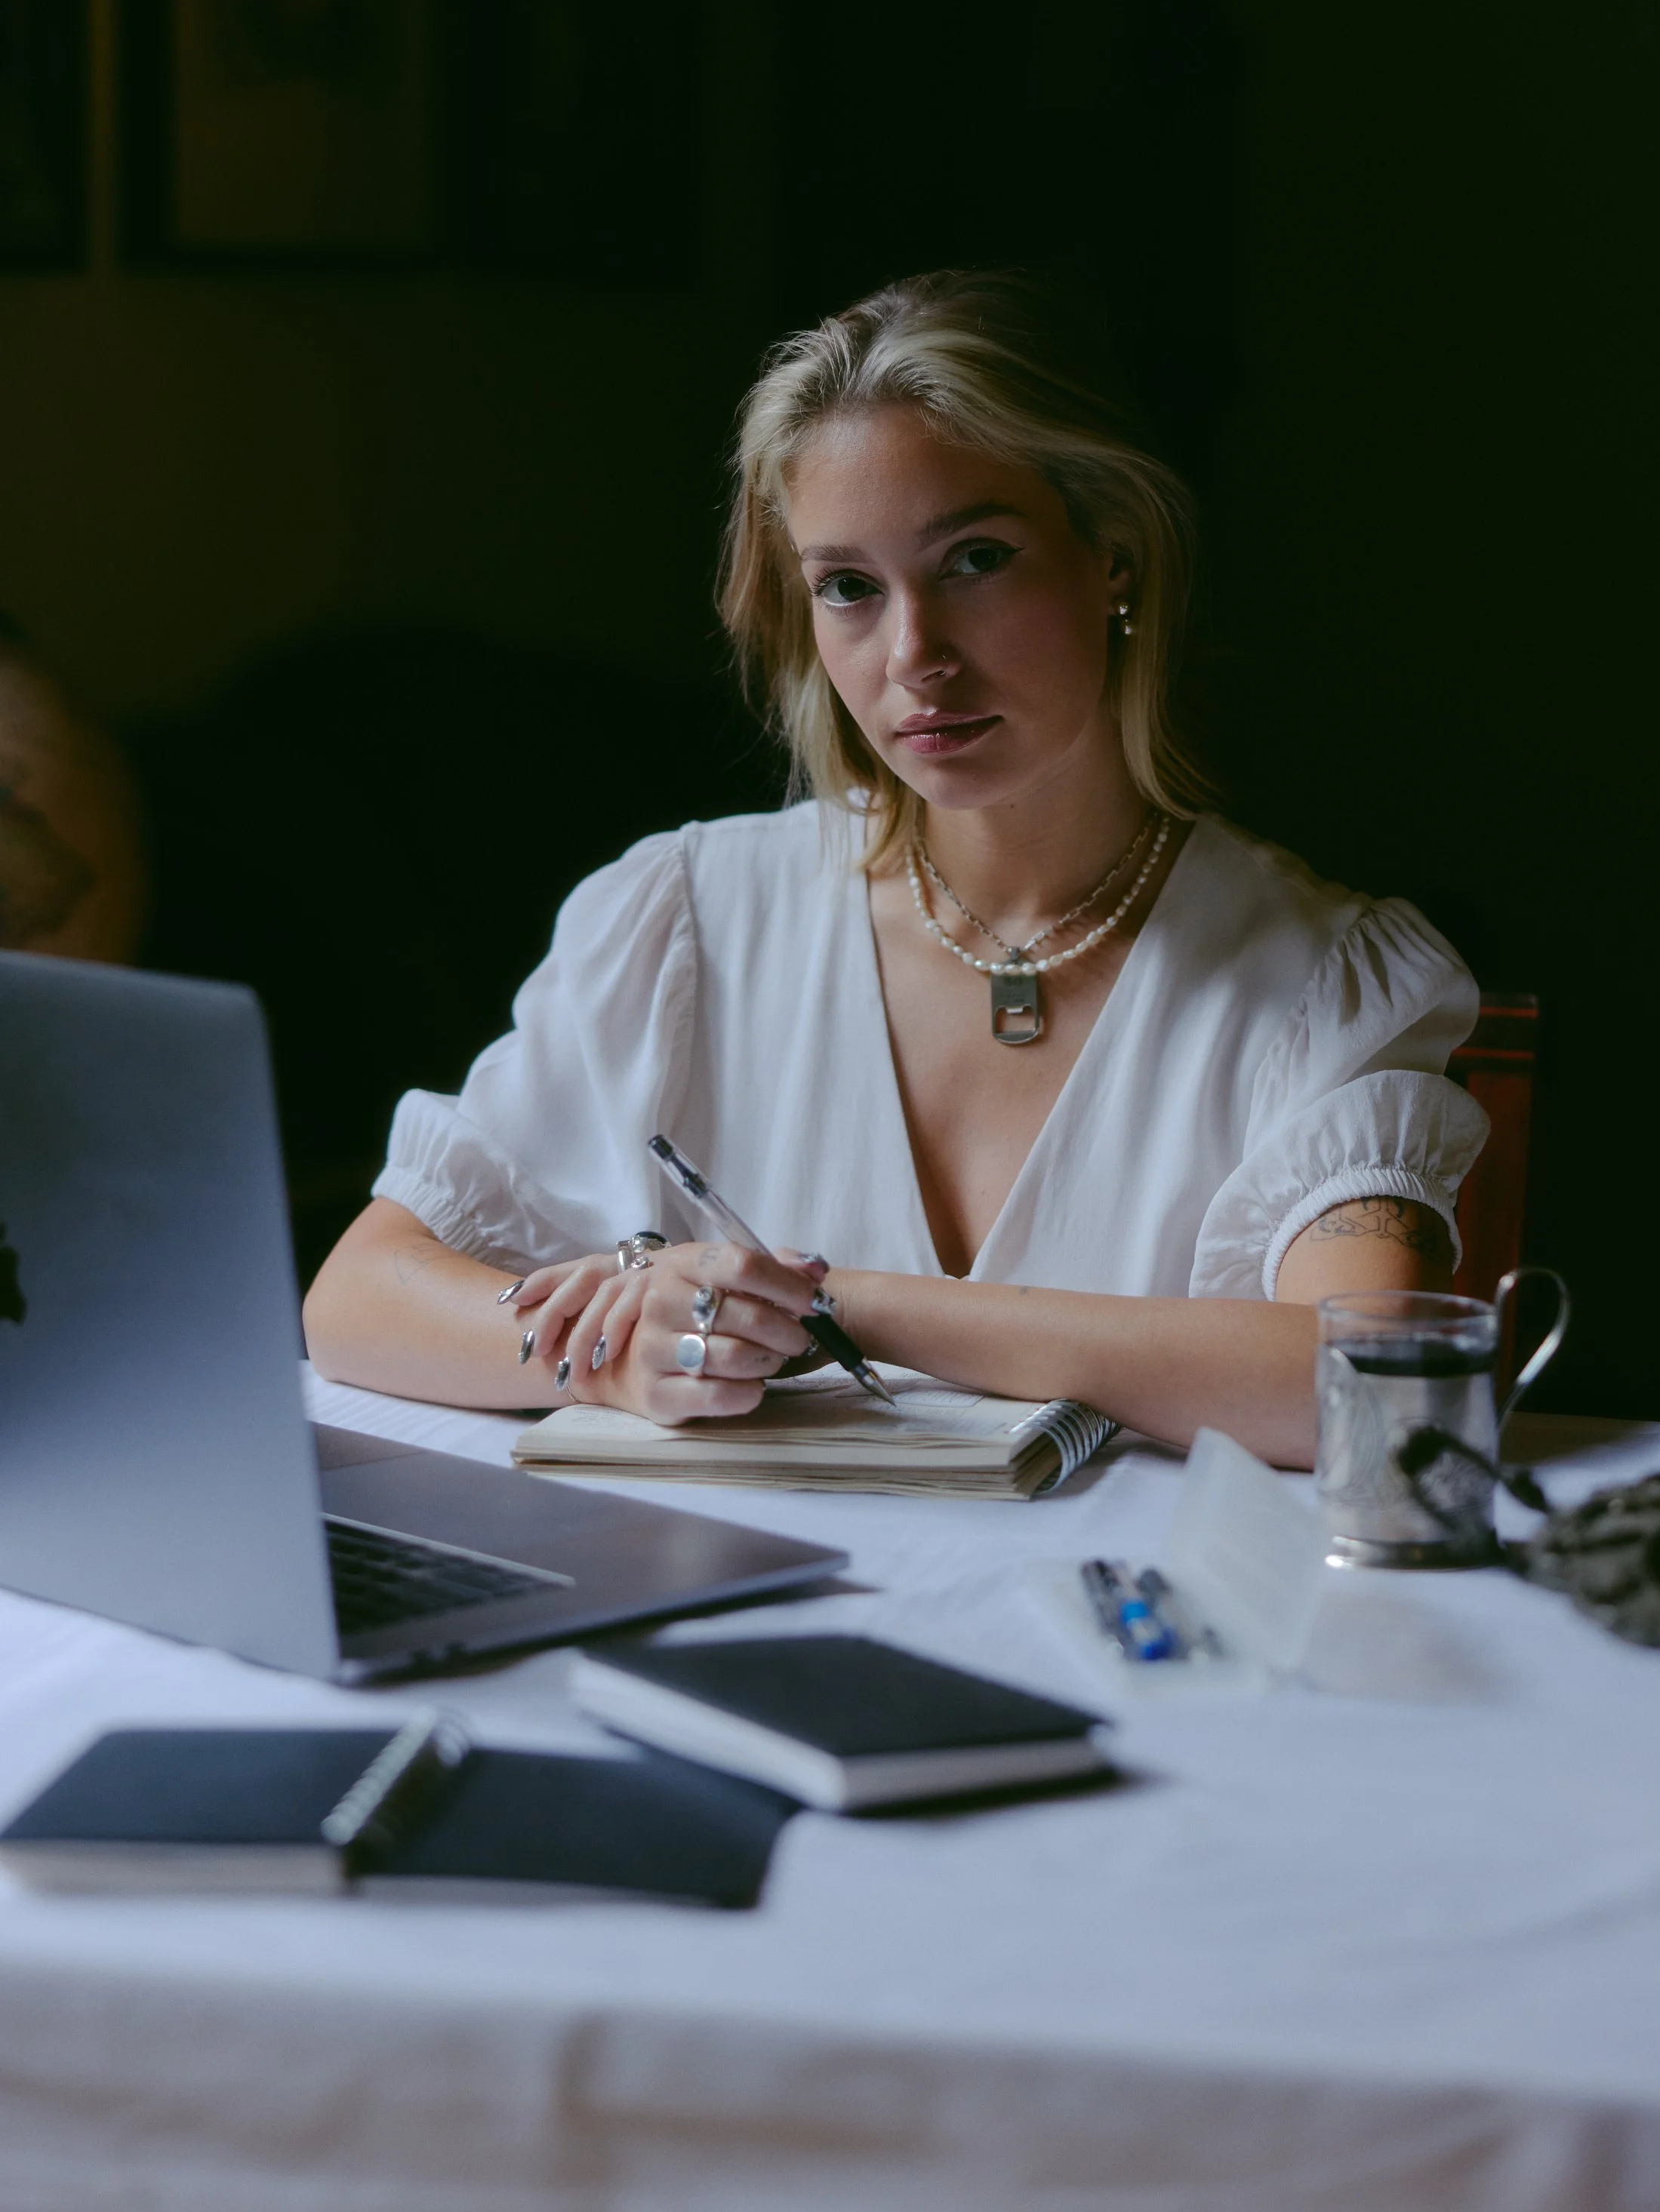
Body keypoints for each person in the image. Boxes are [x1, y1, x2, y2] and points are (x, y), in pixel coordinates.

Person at [304, 273, 1487, 1465]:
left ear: (1114, 558)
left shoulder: (1322, 979)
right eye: (850, 588)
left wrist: (829, 1303)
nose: (915, 656)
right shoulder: (684, 919)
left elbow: (1370, 1382)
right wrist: (624, 1350)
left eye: (976, 558)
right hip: (727, 1613)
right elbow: (356, 1300)